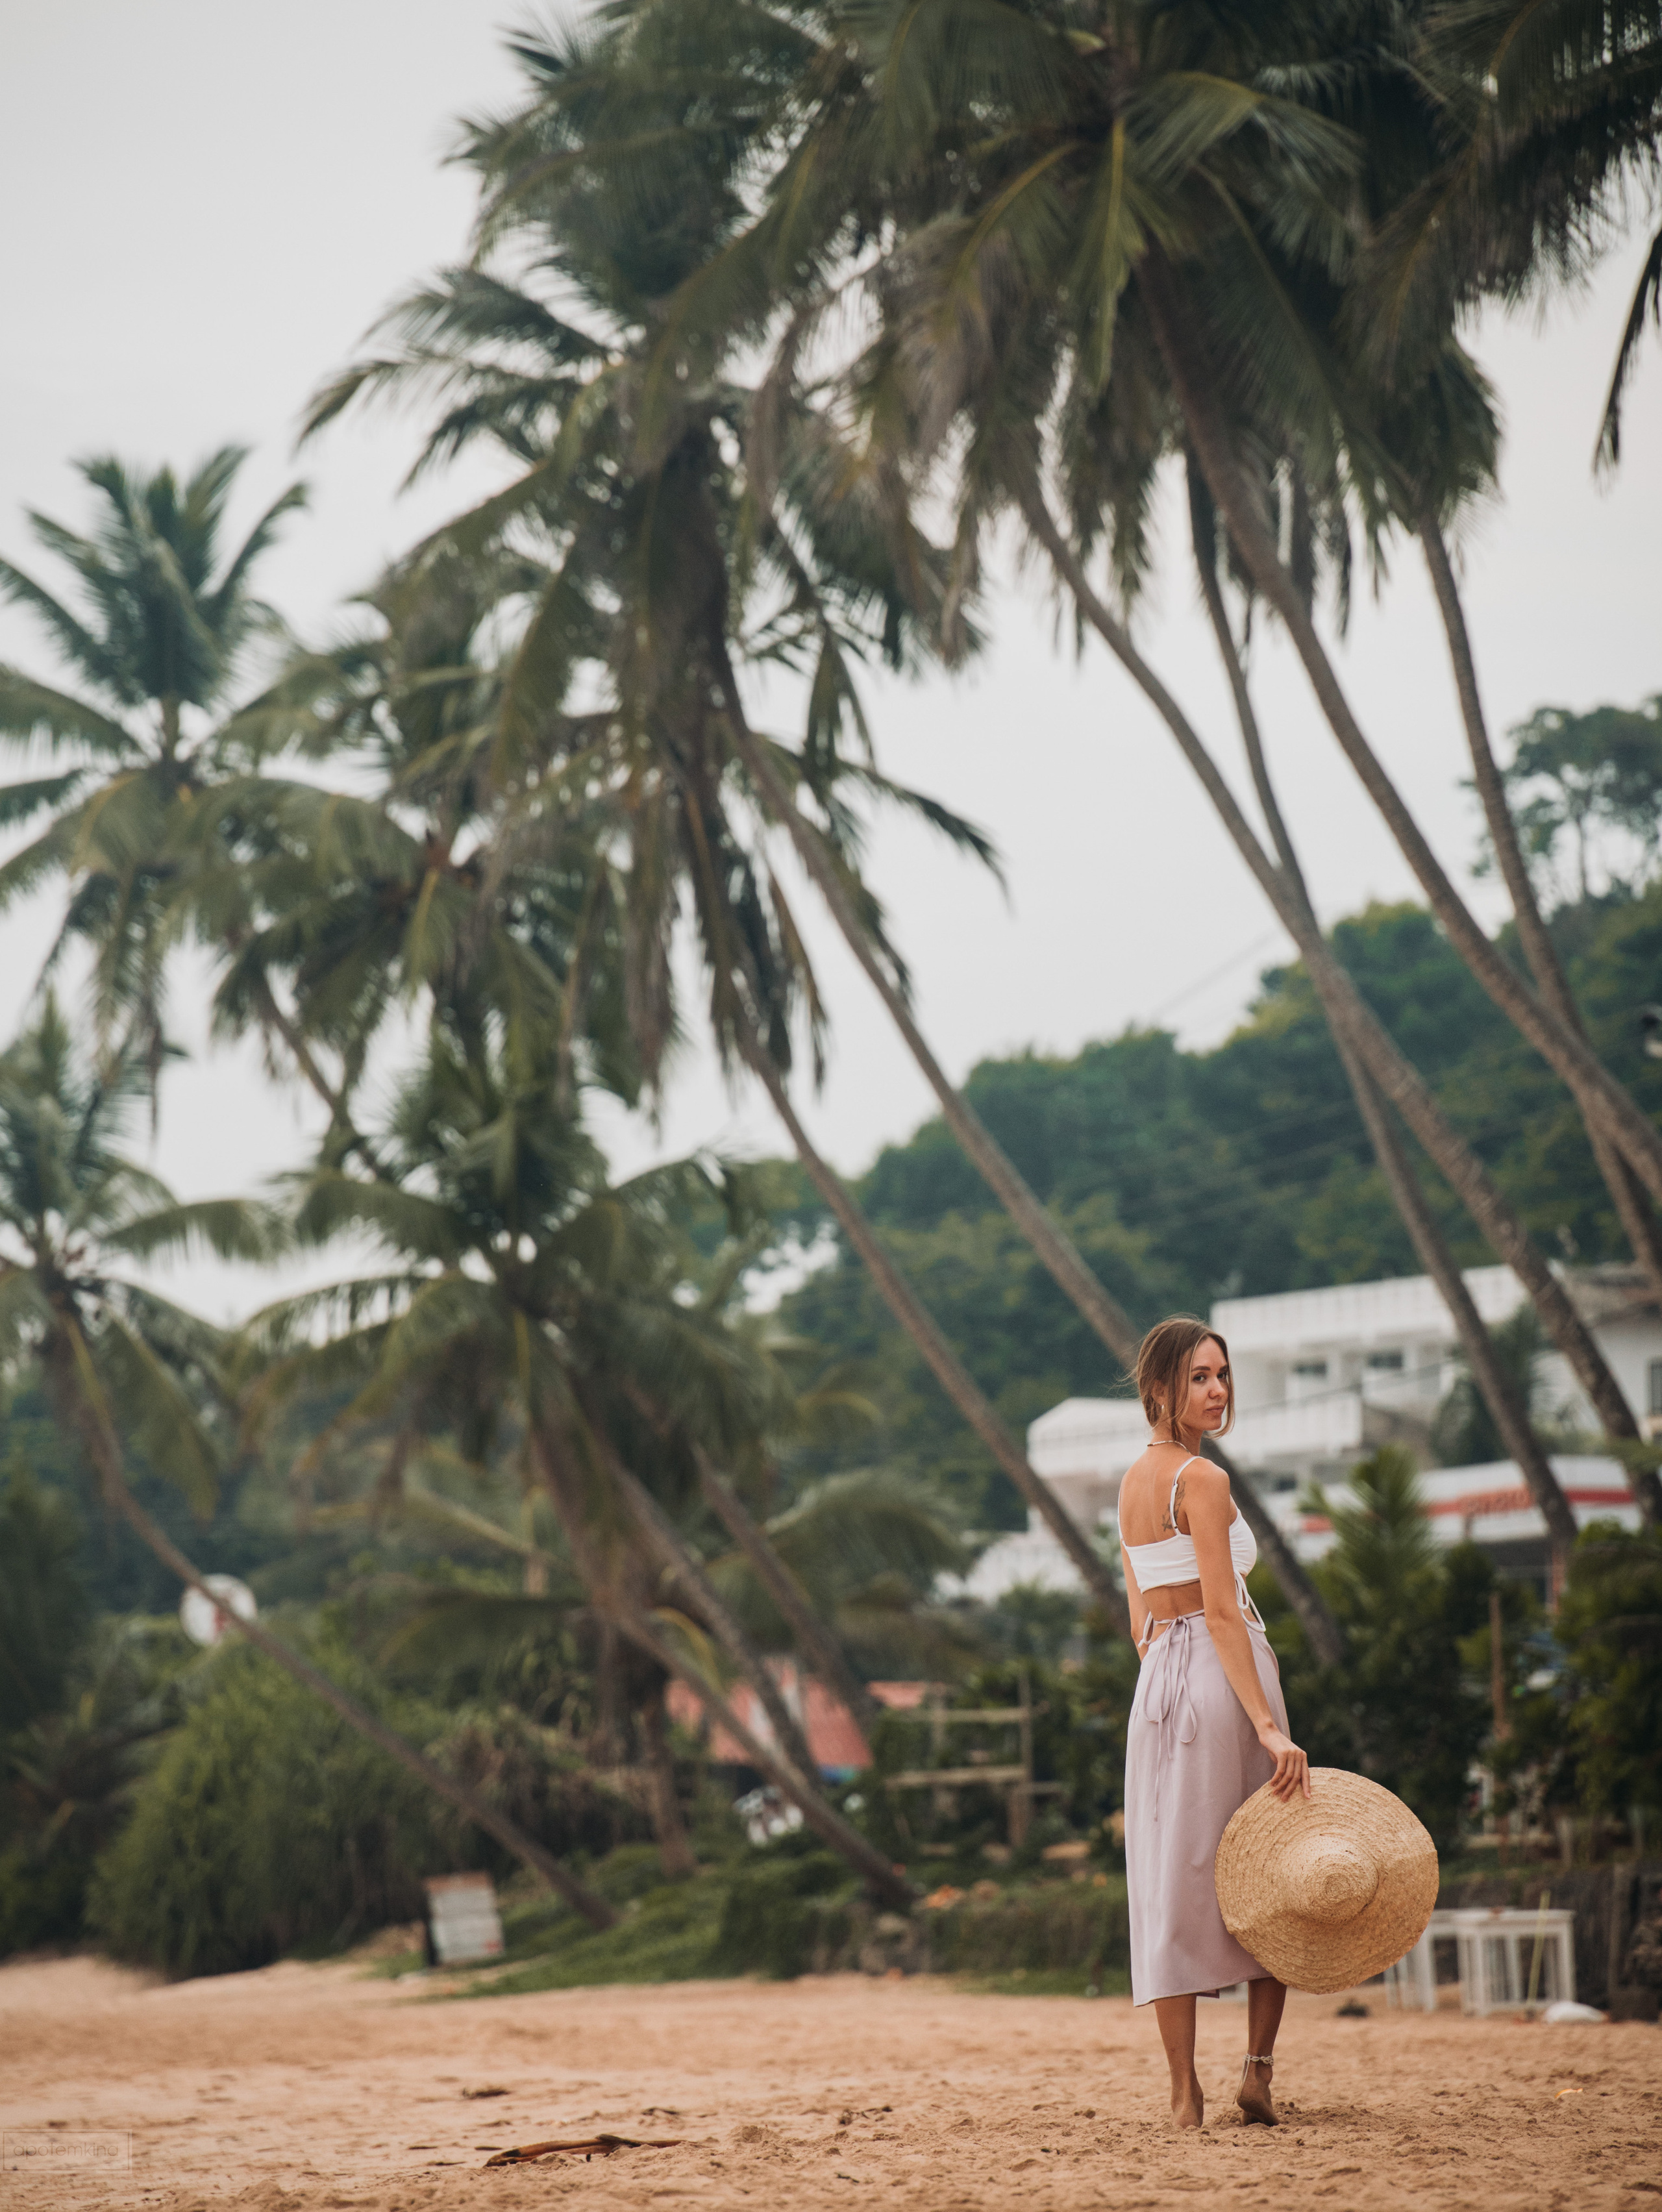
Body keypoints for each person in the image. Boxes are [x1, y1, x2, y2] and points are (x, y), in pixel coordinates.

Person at [1119, 1315, 1311, 2130]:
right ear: (1160, 1385)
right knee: (1270, 1861)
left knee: (1172, 1871)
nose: (1218, 1389)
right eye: (1199, 1375)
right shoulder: (1203, 1479)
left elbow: (1137, 1613)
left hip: (1158, 1675)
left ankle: (1181, 2092)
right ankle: (1255, 2071)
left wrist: (1168, 1674)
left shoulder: (1131, 1481)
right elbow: (1226, 1615)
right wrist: (1266, 1724)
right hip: (1220, 1671)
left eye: (1222, 1374)